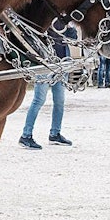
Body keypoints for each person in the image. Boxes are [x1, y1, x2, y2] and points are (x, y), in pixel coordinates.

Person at [20, 19, 76, 149]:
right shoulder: (46, 19)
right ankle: (26, 135)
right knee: (38, 100)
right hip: (45, 65)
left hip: (61, 64)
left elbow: (73, 38)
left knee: (60, 101)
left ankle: (55, 134)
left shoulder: (64, 20)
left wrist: (70, 26)